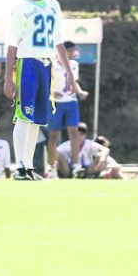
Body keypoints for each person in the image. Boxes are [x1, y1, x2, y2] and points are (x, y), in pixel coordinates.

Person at [3, 0, 77, 181]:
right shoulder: (20, 6)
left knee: (37, 120)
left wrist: (70, 75)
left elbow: (58, 42)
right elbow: (12, 45)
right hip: (27, 63)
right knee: (24, 116)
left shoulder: (54, 5)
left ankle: (29, 167)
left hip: (47, 65)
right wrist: (8, 77)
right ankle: (20, 166)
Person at [46, 40, 89, 178]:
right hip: (56, 103)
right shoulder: (52, 65)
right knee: (54, 136)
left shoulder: (74, 65)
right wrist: (52, 93)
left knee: (74, 132)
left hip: (70, 101)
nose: (73, 53)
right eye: (71, 51)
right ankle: (52, 168)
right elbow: (45, 84)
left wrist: (80, 92)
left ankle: (76, 165)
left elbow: (74, 82)